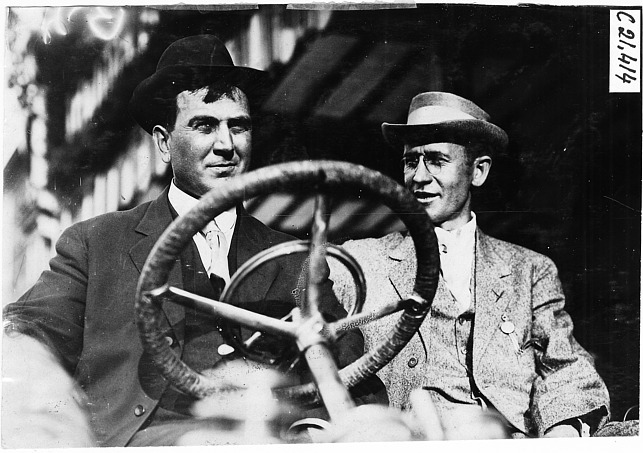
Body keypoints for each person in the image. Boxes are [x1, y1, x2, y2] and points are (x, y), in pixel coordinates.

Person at [2, 35, 379, 447]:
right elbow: (26, 338)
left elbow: (355, 374)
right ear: (164, 142)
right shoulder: (95, 244)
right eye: (204, 125)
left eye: (239, 126)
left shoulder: (296, 261)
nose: (226, 145)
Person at [330, 91, 611, 438]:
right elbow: (307, 330)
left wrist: (561, 430)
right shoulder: (358, 261)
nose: (418, 177)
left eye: (436, 160)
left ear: (478, 171)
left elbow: (566, 367)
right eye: (410, 161)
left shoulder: (530, 270)